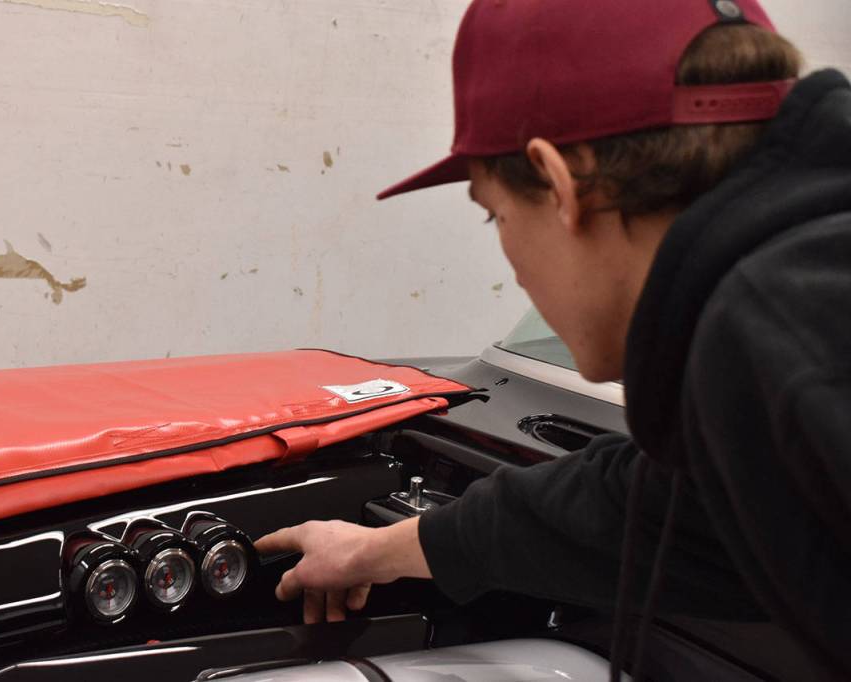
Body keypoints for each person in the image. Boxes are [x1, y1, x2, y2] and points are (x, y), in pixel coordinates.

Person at [255, 0, 851, 678]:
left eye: (495, 216)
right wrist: (373, 551)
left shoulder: (791, 337)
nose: (510, 262)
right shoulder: (781, 331)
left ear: (561, 185)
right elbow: (651, 509)